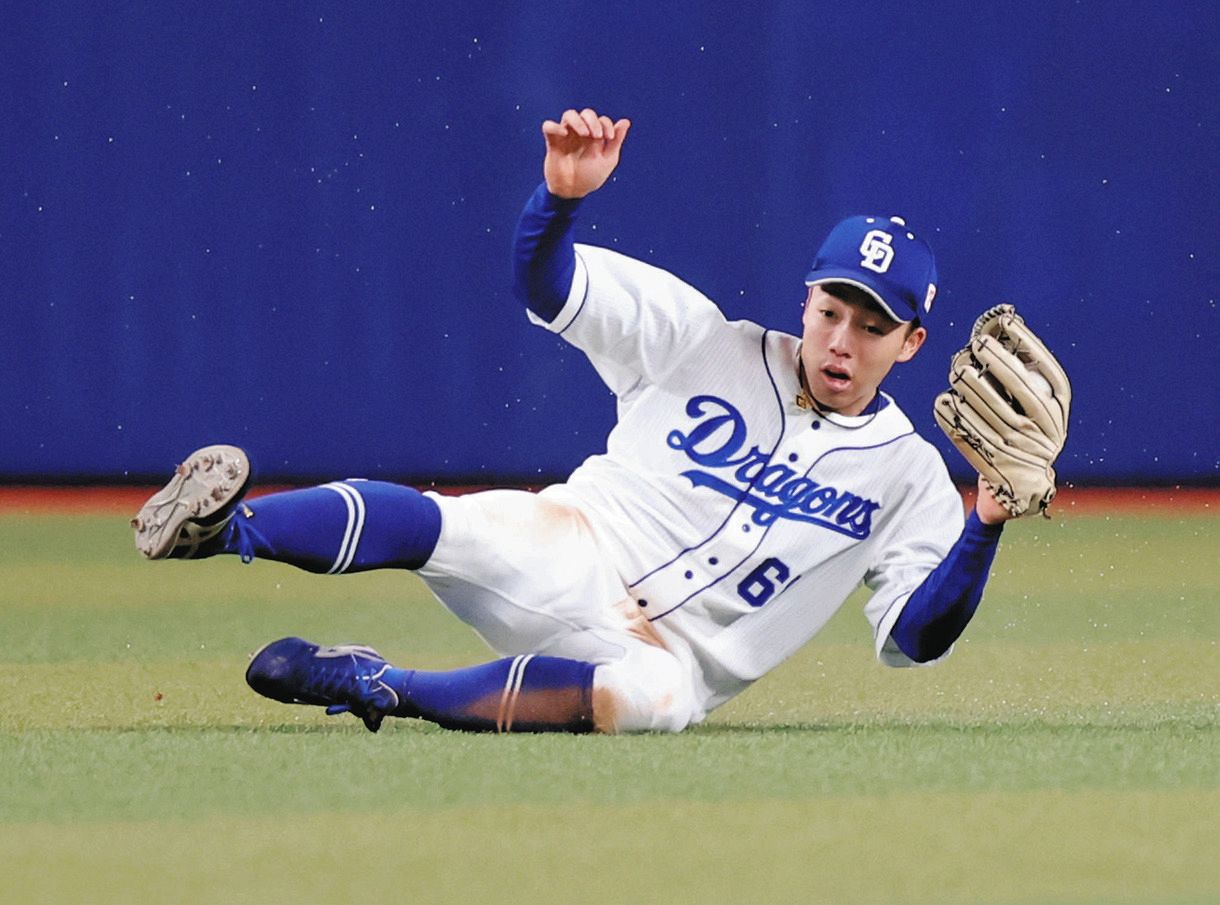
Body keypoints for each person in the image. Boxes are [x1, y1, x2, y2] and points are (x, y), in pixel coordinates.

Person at [132, 107, 1020, 734]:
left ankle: (380, 685)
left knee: (659, 704)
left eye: (872, 327)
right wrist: (559, 200)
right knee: (454, 523)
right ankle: (220, 529)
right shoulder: (704, 338)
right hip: (577, 544)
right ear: (808, 296)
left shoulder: (906, 475)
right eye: (833, 310)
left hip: (666, 657)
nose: (842, 340)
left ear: (911, 343)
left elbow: (912, 638)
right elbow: (547, 287)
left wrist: (982, 525)